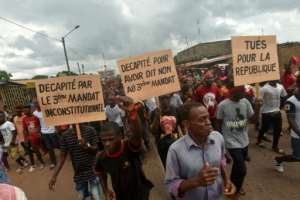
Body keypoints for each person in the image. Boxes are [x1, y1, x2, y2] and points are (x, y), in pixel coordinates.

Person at [165, 102, 235, 200]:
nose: (208, 122)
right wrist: (196, 181)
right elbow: (171, 185)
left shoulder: (218, 138)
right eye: (202, 120)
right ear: (187, 124)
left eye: (208, 117)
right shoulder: (175, 150)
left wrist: (227, 181)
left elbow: (221, 162)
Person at [95, 97, 153, 200]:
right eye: (104, 140)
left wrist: (133, 114)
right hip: (121, 196)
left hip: (139, 194)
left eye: (111, 139)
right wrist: (105, 190)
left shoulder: (128, 148)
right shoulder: (101, 157)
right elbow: (100, 172)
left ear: (120, 137)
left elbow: (137, 135)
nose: (107, 143)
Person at [216, 86, 254, 198]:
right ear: (234, 93)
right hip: (230, 141)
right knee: (242, 169)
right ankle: (235, 191)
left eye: (244, 94)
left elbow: (253, 119)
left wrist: (257, 106)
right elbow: (218, 123)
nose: (244, 96)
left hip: (244, 140)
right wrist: (220, 140)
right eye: (242, 93)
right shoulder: (223, 105)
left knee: (238, 166)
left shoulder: (245, 102)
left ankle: (232, 184)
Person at [49, 124, 103, 200]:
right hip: (79, 173)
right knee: (81, 197)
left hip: (93, 171)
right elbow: (62, 157)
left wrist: (87, 146)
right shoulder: (65, 136)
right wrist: (54, 176)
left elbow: (96, 150)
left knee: (96, 196)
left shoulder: (90, 130)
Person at [275, 75, 300, 172]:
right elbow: (291, 119)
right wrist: (298, 132)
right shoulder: (291, 101)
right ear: (298, 84)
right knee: (297, 157)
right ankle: (279, 159)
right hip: (297, 135)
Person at [257, 80, 287, 153]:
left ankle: (275, 146)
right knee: (264, 128)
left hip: (277, 111)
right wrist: (259, 102)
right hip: (266, 112)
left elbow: (284, 96)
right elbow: (259, 100)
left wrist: (282, 106)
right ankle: (259, 140)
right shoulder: (264, 88)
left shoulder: (281, 86)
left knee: (278, 129)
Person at [33, 103, 58, 169]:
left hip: (52, 130)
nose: (37, 105)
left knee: (56, 145)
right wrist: (39, 132)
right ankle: (53, 162)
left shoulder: (48, 110)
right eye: (36, 104)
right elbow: (36, 123)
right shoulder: (35, 113)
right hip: (44, 132)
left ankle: (65, 153)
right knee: (49, 147)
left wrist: (56, 128)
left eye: (38, 103)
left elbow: (55, 118)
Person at [22, 105, 45, 172]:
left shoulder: (35, 117)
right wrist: (26, 139)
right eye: (24, 111)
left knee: (38, 150)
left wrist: (39, 133)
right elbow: (25, 129)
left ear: (30, 109)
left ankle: (42, 162)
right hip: (30, 138)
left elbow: (40, 126)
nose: (25, 112)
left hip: (37, 137)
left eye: (26, 110)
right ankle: (36, 164)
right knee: (32, 151)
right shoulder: (24, 119)